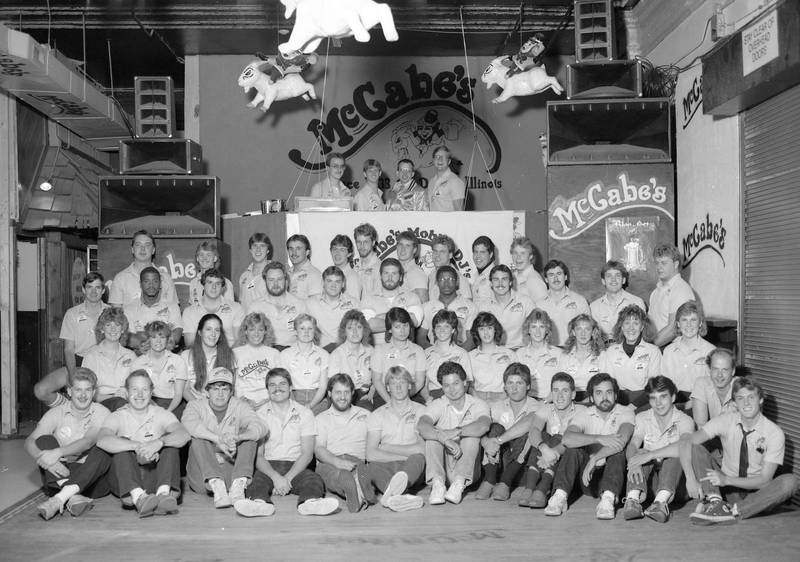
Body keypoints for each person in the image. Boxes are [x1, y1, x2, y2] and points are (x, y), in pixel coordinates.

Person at [679, 377, 799, 525]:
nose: (746, 403)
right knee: (696, 448)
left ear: (760, 400)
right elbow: (687, 442)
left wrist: (726, 480)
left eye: (751, 397)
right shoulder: (725, 420)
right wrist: (690, 477)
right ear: (734, 403)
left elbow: (764, 480)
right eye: (740, 398)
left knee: (791, 481)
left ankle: (733, 511)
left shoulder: (774, 433)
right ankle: (715, 501)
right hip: (727, 490)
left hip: (757, 494)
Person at [245, 368, 340, 516]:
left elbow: (307, 454)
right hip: (269, 466)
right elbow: (259, 456)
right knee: (256, 483)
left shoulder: (305, 413)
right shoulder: (259, 416)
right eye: (272, 385)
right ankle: (260, 504)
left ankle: (309, 503)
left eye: (282, 384)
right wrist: (275, 478)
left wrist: (287, 479)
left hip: (296, 466)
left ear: (290, 388)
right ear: (267, 389)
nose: (277, 388)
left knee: (314, 480)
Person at [97, 370, 190, 518]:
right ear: (126, 393)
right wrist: (137, 445)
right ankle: (137, 497)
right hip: (125, 482)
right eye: (135, 389)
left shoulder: (161, 413)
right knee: (122, 443)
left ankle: (163, 495)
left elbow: (184, 435)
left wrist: (159, 442)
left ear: (151, 392)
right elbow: (102, 440)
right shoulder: (116, 416)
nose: (140, 394)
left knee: (170, 442)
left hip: (155, 478)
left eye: (144, 389)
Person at [544, 373, 634, 519]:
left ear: (615, 395)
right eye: (599, 393)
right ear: (591, 398)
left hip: (613, 477)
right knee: (573, 448)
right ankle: (559, 496)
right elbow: (567, 439)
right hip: (587, 478)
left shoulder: (625, 412)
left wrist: (595, 458)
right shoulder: (585, 414)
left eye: (609, 392)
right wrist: (599, 438)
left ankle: (608, 501)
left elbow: (621, 441)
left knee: (618, 451)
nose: (604, 397)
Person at [26, 368, 113, 520]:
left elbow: (87, 442)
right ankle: (72, 496)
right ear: (70, 391)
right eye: (78, 389)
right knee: (43, 440)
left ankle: (61, 497)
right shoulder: (57, 412)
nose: (83, 395)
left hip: (92, 479)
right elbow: (30, 441)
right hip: (60, 472)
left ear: (93, 392)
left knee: (103, 446)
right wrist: (46, 461)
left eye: (88, 390)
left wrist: (57, 453)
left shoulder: (102, 412)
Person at [182, 366, 267, 511]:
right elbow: (189, 424)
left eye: (225, 389)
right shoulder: (195, 405)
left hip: (231, 474)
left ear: (231, 392)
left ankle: (238, 487)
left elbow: (261, 427)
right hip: (204, 479)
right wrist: (217, 439)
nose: (220, 394)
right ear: (206, 391)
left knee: (250, 436)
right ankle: (216, 483)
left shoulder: (240, 405)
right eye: (215, 388)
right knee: (198, 436)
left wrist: (239, 437)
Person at [621, 375, 694, 523]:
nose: (658, 403)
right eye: (653, 398)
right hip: (649, 485)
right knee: (640, 452)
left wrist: (651, 455)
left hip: (676, 485)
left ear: (673, 397)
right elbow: (633, 445)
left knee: (677, 453)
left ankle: (661, 504)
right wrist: (633, 462)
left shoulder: (685, 421)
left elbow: (684, 447)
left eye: (663, 397)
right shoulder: (642, 417)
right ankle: (632, 500)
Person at [417, 362, 491, 504]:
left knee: (471, 437)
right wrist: (443, 438)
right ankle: (438, 485)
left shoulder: (478, 404)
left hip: (468, 470)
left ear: (465, 383)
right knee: (432, 437)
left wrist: (456, 431)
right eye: (446, 385)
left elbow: (483, 426)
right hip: (444, 468)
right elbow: (422, 425)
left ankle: (458, 484)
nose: (451, 389)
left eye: (456, 383)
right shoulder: (439, 403)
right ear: (442, 387)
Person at [34, 272, 109, 408]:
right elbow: (68, 349)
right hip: (78, 362)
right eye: (89, 287)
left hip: (103, 364)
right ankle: (69, 409)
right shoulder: (72, 313)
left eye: (97, 287)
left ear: (103, 290)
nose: (93, 291)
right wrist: (72, 373)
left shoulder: (111, 312)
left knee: (97, 396)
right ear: (83, 290)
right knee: (41, 390)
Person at [360, 366, 426, 512]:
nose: (398, 387)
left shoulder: (422, 411)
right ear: (387, 388)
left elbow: (422, 450)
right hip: (385, 465)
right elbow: (370, 454)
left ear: (409, 385)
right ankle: (399, 496)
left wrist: (386, 447)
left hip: (412, 467)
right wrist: (402, 455)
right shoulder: (377, 415)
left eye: (402, 382)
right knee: (371, 467)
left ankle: (391, 495)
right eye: (393, 383)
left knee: (418, 459)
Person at [519, 373, 587, 508]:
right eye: (555, 391)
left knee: (558, 437)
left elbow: (573, 441)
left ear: (573, 394)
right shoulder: (546, 408)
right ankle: (530, 488)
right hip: (546, 458)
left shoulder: (582, 411)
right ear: (551, 393)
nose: (559, 396)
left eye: (565, 391)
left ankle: (542, 489)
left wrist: (553, 453)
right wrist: (544, 449)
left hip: (568, 464)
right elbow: (534, 431)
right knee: (543, 436)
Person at [475, 363, 541, 501]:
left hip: (521, 467)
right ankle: (490, 480)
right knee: (494, 427)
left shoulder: (536, 406)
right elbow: (481, 428)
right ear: (504, 386)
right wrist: (487, 442)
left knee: (531, 429)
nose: (514, 387)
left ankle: (506, 482)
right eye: (510, 383)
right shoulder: (497, 407)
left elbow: (529, 422)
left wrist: (498, 441)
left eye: (519, 383)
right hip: (498, 462)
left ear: (528, 386)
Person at [314, 373, 370, 512]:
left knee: (364, 471)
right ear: (329, 393)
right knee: (328, 472)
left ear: (352, 393)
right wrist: (337, 462)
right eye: (338, 392)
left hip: (357, 462)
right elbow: (319, 449)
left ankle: (355, 489)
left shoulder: (366, 415)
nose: (343, 397)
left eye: (346, 392)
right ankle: (355, 489)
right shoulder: (321, 418)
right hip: (330, 462)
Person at [598, 304, 662, 408]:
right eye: (627, 323)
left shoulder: (653, 351)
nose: (631, 328)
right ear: (621, 327)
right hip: (616, 402)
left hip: (645, 402)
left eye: (636, 323)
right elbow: (607, 384)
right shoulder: (610, 352)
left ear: (642, 327)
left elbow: (654, 386)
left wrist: (633, 406)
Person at [79, 307, 135, 411]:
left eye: (117, 325)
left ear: (122, 329)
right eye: (108, 325)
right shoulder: (91, 355)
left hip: (127, 403)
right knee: (120, 404)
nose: (113, 329)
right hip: (101, 404)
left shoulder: (131, 355)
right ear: (102, 329)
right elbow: (86, 392)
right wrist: (115, 398)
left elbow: (136, 387)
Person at [370, 307, 426, 407]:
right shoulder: (379, 350)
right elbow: (377, 380)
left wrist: (404, 398)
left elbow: (420, 381)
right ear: (390, 329)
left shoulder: (418, 350)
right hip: (385, 396)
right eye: (397, 327)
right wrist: (390, 402)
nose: (402, 330)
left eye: (405, 325)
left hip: (411, 394)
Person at [130, 320, 188, 416]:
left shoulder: (178, 361)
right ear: (148, 339)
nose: (158, 341)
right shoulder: (138, 363)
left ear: (167, 339)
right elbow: (134, 391)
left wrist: (167, 412)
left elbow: (178, 394)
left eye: (162, 337)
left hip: (173, 403)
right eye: (154, 337)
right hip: (147, 402)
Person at [661, 301, 715, 401]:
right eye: (684, 320)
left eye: (693, 320)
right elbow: (664, 384)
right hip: (673, 399)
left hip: (700, 400)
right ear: (678, 324)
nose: (689, 325)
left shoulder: (710, 351)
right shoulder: (669, 351)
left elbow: (712, 386)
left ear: (700, 323)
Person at [108, 230, 177, 307]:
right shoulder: (120, 279)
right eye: (138, 245)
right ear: (132, 249)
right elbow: (116, 315)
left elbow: (173, 310)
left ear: (153, 250)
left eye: (147, 245)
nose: (143, 249)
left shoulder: (165, 278)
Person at [123, 266, 182, 354]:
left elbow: (177, 334)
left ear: (160, 284)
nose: (151, 285)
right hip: (138, 357)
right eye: (146, 281)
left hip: (167, 358)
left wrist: (152, 344)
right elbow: (128, 337)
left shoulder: (172, 306)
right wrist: (159, 341)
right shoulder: (129, 308)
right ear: (140, 283)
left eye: (155, 281)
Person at [248, 261, 307, 349]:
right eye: (271, 280)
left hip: (292, 355)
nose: (275, 284)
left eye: (279, 279)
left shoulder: (299, 305)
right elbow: (248, 338)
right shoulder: (255, 307)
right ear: (265, 281)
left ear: (286, 279)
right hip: (265, 354)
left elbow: (306, 336)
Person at [474, 265, 534, 350]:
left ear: (510, 282)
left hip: (520, 351)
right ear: (490, 283)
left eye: (504, 279)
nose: (500, 283)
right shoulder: (483, 306)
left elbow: (536, 329)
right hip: (494, 352)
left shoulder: (526, 302)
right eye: (496, 280)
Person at [279, 313, 330, 414]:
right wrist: (296, 406)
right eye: (302, 328)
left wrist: (310, 405)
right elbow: (284, 384)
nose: (306, 332)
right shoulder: (285, 355)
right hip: (292, 398)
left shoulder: (323, 354)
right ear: (296, 331)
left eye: (310, 328)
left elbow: (323, 387)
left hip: (317, 400)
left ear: (314, 331)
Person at [360, 258, 423, 338]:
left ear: (400, 277)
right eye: (386, 273)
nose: (389, 278)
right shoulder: (368, 299)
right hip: (378, 349)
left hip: (405, 349)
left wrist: (379, 317)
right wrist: (402, 318)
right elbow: (368, 325)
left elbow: (414, 321)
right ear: (380, 276)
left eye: (394, 273)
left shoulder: (412, 297)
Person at [182, 268, 244, 347]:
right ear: (203, 285)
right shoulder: (189, 312)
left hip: (230, 355)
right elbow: (190, 344)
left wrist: (226, 357)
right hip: (201, 357)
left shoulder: (236, 308)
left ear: (222, 287)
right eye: (210, 282)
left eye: (218, 283)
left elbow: (240, 341)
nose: (214, 286)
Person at [422, 309, 473, 403]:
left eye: (446, 326)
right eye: (438, 326)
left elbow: (466, 384)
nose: (442, 330)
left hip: (455, 396)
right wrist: (428, 399)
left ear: (453, 329)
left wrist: (455, 400)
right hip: (433, 397)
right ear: (434, 329)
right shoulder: (425, 354)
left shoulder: (462, 354)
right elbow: (423, 385)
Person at [181, 313, 236, 402]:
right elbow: (185, 390)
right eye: (208, 329)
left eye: (217, 330)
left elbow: (231, 390)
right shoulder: (186, 356)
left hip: (220, 405)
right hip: (194, 404)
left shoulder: (229, 355)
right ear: (200, 332)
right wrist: (201, 408)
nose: (213, 334)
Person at [417, 265, 476, 348]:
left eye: (451, 279)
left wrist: (458, 355)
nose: (446, 283)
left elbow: (471, 338)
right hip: (434, 356)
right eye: (442, 279)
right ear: (436, 283)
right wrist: (434, 353)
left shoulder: (470, 306)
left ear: (457, 282)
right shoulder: (427, 307)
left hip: (460, 355)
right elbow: (421, 338)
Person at [535, 259, 590, 346]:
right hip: (547, 352)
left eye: (559, 274)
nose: (556, 278)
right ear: (546, 279)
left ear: (565, 277)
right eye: (551, 275)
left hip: (572, 351)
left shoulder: (580, 301)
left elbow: (589, 330)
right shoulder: (538, 305)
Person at [648, 244, 695, 347]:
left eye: (664, 263)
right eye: (657, 263)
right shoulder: (655, 292)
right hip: (658, 348)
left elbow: (674, 329)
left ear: (675, 264)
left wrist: (648, 348)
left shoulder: (681, 289)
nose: (659, 267)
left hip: (674, 351)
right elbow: (649, 326)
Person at [233, 312, 282, 409]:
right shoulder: (235, 353)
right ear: (245, 331)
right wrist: (245, 401)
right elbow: (234, 384)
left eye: (260, 330)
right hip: (243, 403)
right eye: (252, 329)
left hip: (270, 402)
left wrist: (268, 400)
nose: (256, 334)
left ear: (265, 331)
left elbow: (279, 382)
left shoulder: (274, 353)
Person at [305, 266, 360, 351]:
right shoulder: (310, 303)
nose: (333, 285)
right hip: (320, 353)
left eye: (337, 281)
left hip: (346, 352)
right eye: (329, 281)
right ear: (323, 283)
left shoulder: (354, 303)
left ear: (343, 284)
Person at [589, 260, 646, 342]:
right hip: (603, 351)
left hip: (630, 351)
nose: (613, 280)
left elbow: (642, 333)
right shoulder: (594, 307)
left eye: (617, 276)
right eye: (609, 276)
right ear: (603, 281)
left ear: (623, 280)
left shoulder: (637, 302)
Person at [328, 309, 375, 409]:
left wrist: (371, 393)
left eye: (359, 327)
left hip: (366, 393)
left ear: (364, 330)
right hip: (344, 395)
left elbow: (378, 378)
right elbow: (333, 386)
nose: (355, 332)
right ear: (344, 331)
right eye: (350, 328)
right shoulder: (336, 354)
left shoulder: (371, 351)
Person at [515, 309, 565, 400]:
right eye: (534, 327)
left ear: (547, 330)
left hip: (551, 401)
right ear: (528, 330)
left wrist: (547, 401)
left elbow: (563, 384)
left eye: (542, 327)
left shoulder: (559, 354)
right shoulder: (519, 354)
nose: (537, 332)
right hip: (526, 402)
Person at [468, 312, 518, 403]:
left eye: (490, 328)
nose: (486, 333)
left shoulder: (510, 354)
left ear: (495, 330)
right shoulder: (469, 357)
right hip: (478, 401)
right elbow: (468, 386)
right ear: (477, 332)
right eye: (482, 329)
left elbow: (516, 383)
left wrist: (502, 399)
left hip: (504, 400)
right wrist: (479, 401)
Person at [558, 314, 605, 401]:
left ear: (593, 332)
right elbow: (560, 384)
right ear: (573, 332)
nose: (583, 333)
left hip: (595, 399)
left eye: (587, 329)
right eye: (579, 329)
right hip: (570, 399)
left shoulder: (602, 355)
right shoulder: (565, 355)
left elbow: (606, 385)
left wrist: (590, 400)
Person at [691, 347, 740, 428]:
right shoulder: (702, 384)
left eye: (725, 370)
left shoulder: (743, 387)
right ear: (709, 370)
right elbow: (701, 426)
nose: (719, 375)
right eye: (715, 369)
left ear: (733, 371)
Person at [187, 240, 235, 307]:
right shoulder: (193, 283)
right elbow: (192, 308)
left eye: (208, 255)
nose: (204, 258)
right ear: (197, 258)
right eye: (201, 255)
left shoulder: (225, 283)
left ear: (215, 258)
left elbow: (230, 310)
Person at [427, 234, 472, 301]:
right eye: (435, 251)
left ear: (450, 255)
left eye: (442, 252)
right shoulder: (432, 274)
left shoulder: (459, 279)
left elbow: (469, 306)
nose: (437, 255)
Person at [238, 233, 273, 311]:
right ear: (250, 250)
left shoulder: (275, 273)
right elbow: (241, 303)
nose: (258, 249)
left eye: (262, 246)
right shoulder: (244, 276)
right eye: (255, 246)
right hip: (246, 322)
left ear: (268, 250)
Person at [427, 146, 466, 212]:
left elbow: (460, 213)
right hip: (433, 221)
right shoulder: (431, 182)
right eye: (437, 157)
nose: (440, 159)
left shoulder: (455, 181)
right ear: (433, 161)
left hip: (449, 222)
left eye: (443, 157)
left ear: (449, 161)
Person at [510, 237, 548, 303]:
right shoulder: (512, 276)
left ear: (530, 256)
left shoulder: (535, 280)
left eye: (523, 253)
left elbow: (543, 311)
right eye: (515, 253)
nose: (518, 257)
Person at [395, 230, 429, 302]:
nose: (403, 249)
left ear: (414, 250)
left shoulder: (416, 273)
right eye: (400, 244)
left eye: (407, 246)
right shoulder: (393, 269)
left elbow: (423, 304)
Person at [286, 234, 323, 300]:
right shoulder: (286, 273)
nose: (294, 253)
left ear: (307, 252)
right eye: (291, 249)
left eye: (298, 248)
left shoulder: (314, 275)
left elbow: (316, 305)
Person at [329, 234, 362, 300]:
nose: (337, 253)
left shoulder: (352, 277)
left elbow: (354, 307)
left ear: (349, 254)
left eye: (342, 250)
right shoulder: (328, 274)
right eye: (335, 249)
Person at [353, 223, 382, 298]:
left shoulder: (380, 268)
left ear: (373, 243)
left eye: (365, 242)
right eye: (359, 242)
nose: (362, 246)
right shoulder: (355, 268)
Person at [471, 236, 496, 301]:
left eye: (482, 252)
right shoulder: (477, 275)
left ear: (490, 254)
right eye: (475, 252)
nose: (478, 256)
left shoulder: (495, 277)